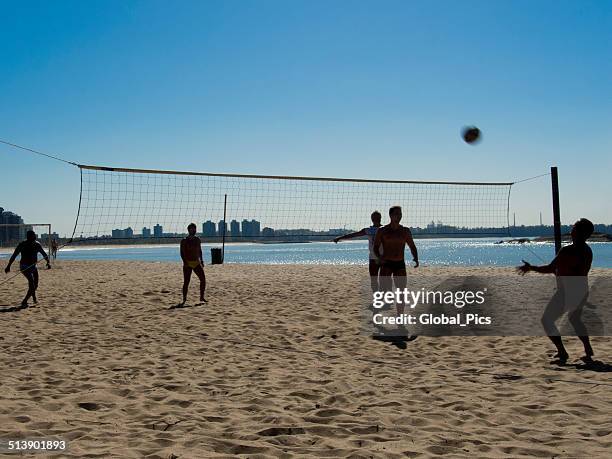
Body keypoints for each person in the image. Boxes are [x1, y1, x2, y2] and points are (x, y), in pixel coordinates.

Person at [517, 218, 595, 364]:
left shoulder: (567, 250)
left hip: (567, 292)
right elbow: (572, 270)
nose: (571, 230)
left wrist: (531, 268)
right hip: (582, 290)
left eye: (573, 228)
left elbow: (551, 268)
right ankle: (588, 348)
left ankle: (562, 352)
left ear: (579, 233)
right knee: (575, 319)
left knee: (546, 321)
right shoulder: (587, 250)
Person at [373, 206, 419, 316]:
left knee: (401, 292)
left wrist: (416, 258)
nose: (399, 216)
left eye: (400, 214)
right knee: (383, 290)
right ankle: (376, 310)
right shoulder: (382, 230)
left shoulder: (405, 231)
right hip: (386, 263)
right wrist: (379, 258)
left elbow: (412, 246)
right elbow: (375, 247)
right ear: (390, 215)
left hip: (399, 263)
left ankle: (400, 316)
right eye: (396, 214)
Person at [334, 211, 383, 291]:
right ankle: (378, 298)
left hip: (382, 258)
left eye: (377, 217)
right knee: (374, 280)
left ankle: (382, 297)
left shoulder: (385, 229)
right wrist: (340, 238)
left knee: (382, 280)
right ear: (372, 219)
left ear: (379, 218)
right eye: (375, 218)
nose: (376, 219)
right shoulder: (368, 230)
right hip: (374, 258)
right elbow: (353, 235)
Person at [4, 230, 51, 307]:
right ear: (28, 237)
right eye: (33, 236)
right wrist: (8, 266)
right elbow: (14, 255)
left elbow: (44, 253)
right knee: (31, 283)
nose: (34, 237)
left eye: (34, 235)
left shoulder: (37, 244)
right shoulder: (22, 244)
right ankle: (24, 301)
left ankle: (34, 297)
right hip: (24, 266)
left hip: (33, 266)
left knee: (35, 285)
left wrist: (48, 262)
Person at [179, 223, 206, 305]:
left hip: (196, 262)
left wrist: (201, 260)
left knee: (203, 279)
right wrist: (185, 262)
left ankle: (202, 297)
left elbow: (200, 250)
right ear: (188, 230)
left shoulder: (197, 240)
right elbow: (182, 253)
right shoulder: (184, 240)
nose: (194, 230)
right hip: (188, 263)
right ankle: (184, 299)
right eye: (192, 229)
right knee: (186, 282)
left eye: (195, 229)